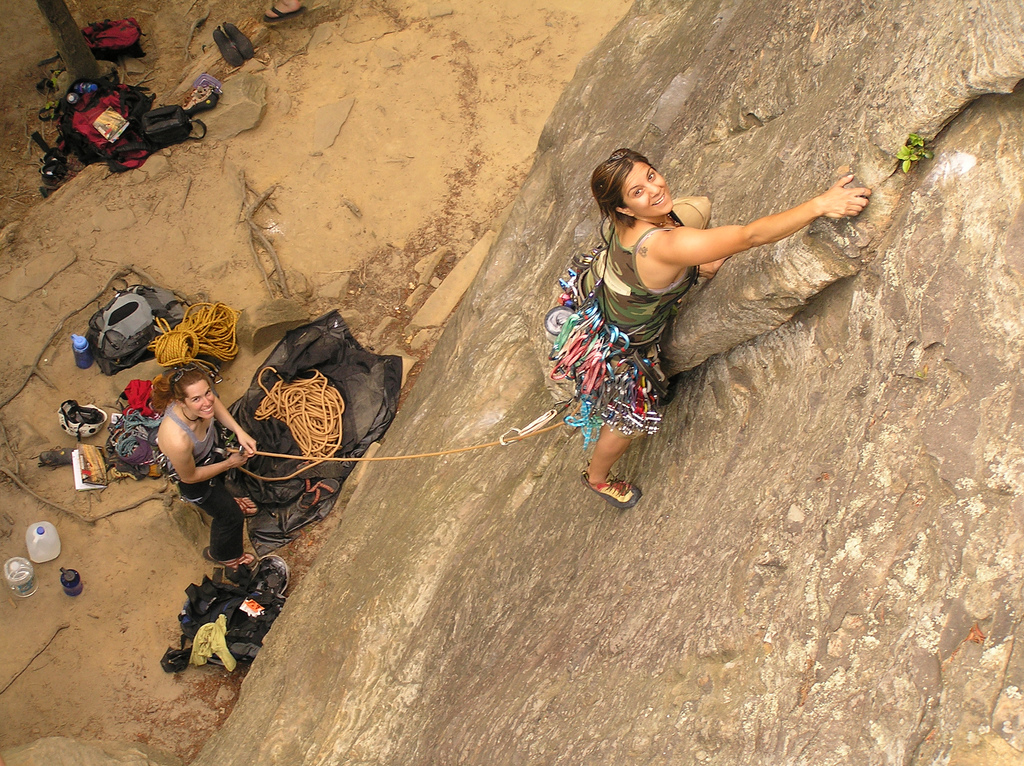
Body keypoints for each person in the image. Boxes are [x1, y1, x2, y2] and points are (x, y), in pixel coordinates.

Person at [575, 148, 871, 509]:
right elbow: (749, 237)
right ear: (623, 208)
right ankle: (597, 478)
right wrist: (820, 205)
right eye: (637, 192)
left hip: (599, 303)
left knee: (697, 208)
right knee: (627, 421)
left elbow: (685, 228)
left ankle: (688, 269)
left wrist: (696, 267)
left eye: (650, 176)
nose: (654, 190)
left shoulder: (618, 226)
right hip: (622, 347)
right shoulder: (665, 244)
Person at [153, 364, 259, 569]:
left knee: (222, 491)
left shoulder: (204, 404)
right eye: (196, 399)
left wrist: (239, 432)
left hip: (211, 456)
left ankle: (228, 500)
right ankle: (223, 555)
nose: (207, 401)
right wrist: (230, 463)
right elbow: (190, 477)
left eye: (207, 392)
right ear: (180, 402)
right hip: (194, 480)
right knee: (229, 517)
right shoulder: (178, 439)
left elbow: (215, 406)